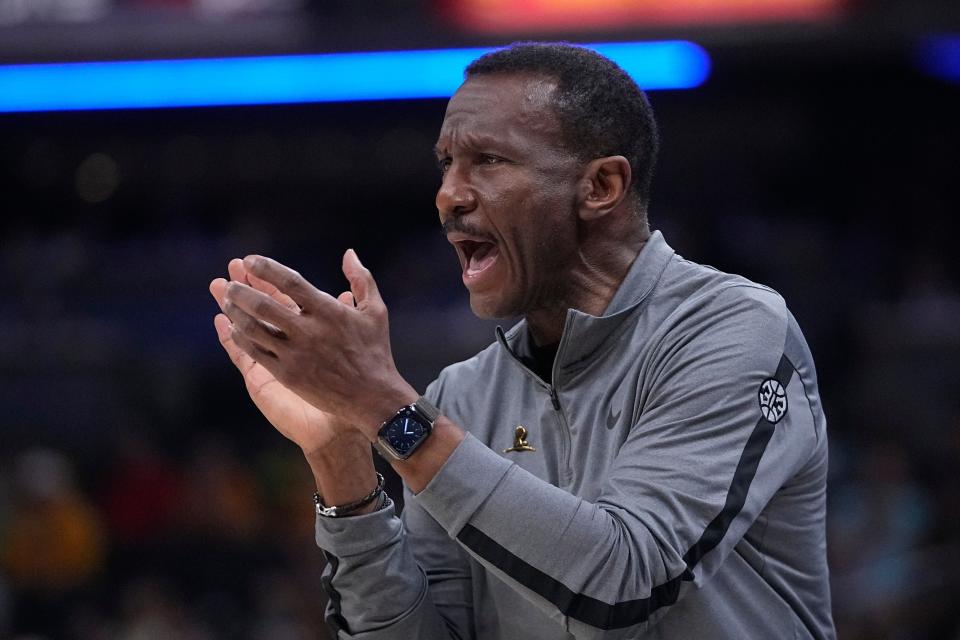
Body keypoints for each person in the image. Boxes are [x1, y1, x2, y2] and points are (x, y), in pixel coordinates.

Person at [209, 42, 835, 639]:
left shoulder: (732, 330)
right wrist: (341, 455)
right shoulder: (459, 395)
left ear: (601, 187)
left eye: (488, 160)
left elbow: (625, 584)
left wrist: (382, 407)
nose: (449, 195)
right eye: (446, 164)